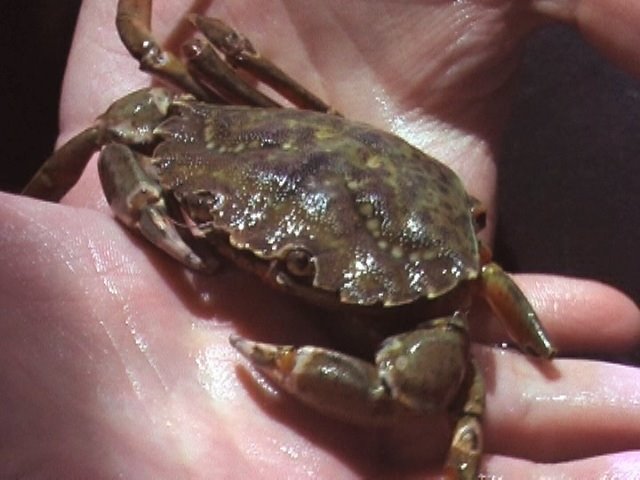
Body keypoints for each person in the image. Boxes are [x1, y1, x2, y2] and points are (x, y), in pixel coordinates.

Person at [2, 0, 639, 477]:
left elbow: (425, 382)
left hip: (424, 211)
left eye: (297, 269)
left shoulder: (447, 278)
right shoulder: (207, 130)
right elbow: (124, 113)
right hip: (279, 138)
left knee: (451, 395)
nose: (272, 272)